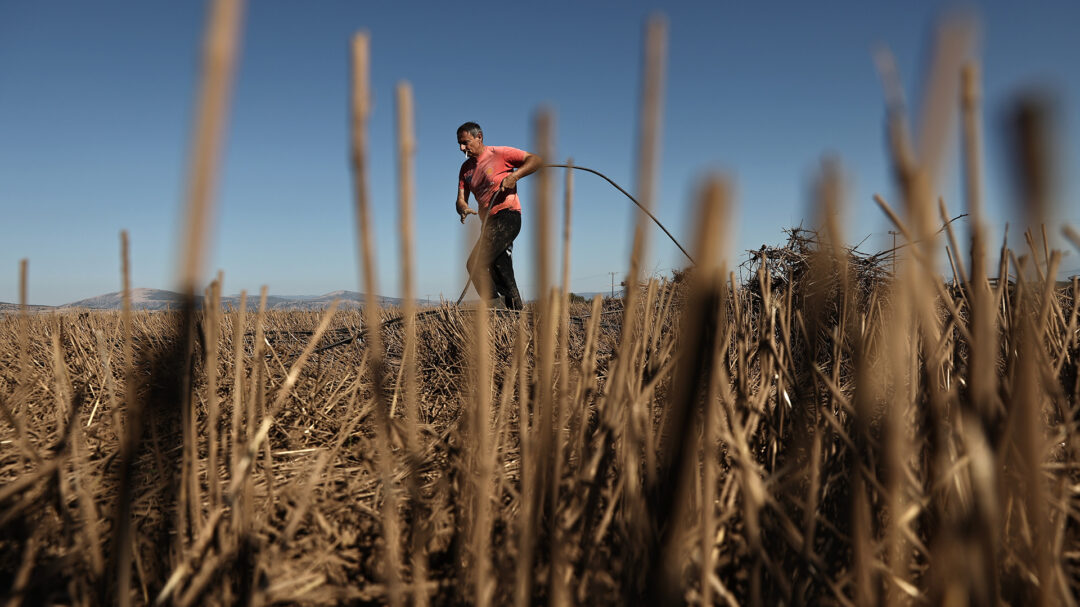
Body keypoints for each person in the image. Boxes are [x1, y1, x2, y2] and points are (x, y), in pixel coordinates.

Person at [455, 122, 542, 310]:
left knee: (474, 264)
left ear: (479, 137)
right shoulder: (465, 169)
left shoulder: (500, 153)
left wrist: (514, 176)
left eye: (466, 142)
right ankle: (516, 313)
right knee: (501, 270)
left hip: (508, 217)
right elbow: (461, 199)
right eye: (459, 144)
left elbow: (536, 160)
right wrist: (462, 207)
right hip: (488, 223)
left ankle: (498, 310)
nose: (462, 148)